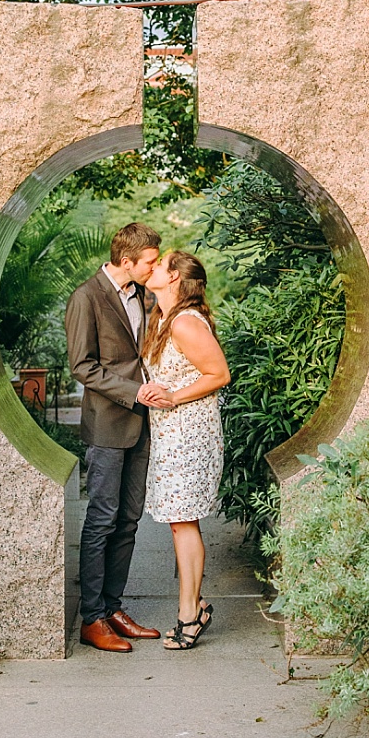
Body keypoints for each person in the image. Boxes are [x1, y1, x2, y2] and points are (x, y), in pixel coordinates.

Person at [66, 223, 166, 653]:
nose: (155, 266)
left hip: (143, 422)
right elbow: (81, 366)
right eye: (150, 261)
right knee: (102, 519)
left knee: (128, 519)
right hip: (109, 422)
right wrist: (133, 392)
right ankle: (92, 618)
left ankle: (112, 607)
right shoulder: (86, 297)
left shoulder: (145, 296)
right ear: (127, 262)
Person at [136, 250, 230, 651]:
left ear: (174, 278)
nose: (152, 268)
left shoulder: (186, 324)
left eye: (160, 264)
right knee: (179, 522)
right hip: (171, 435)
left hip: (191, 436)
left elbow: (220, 374)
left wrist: (173, 396)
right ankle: (194, 606)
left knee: (183, 522)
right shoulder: (163, 318)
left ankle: (189, 615)